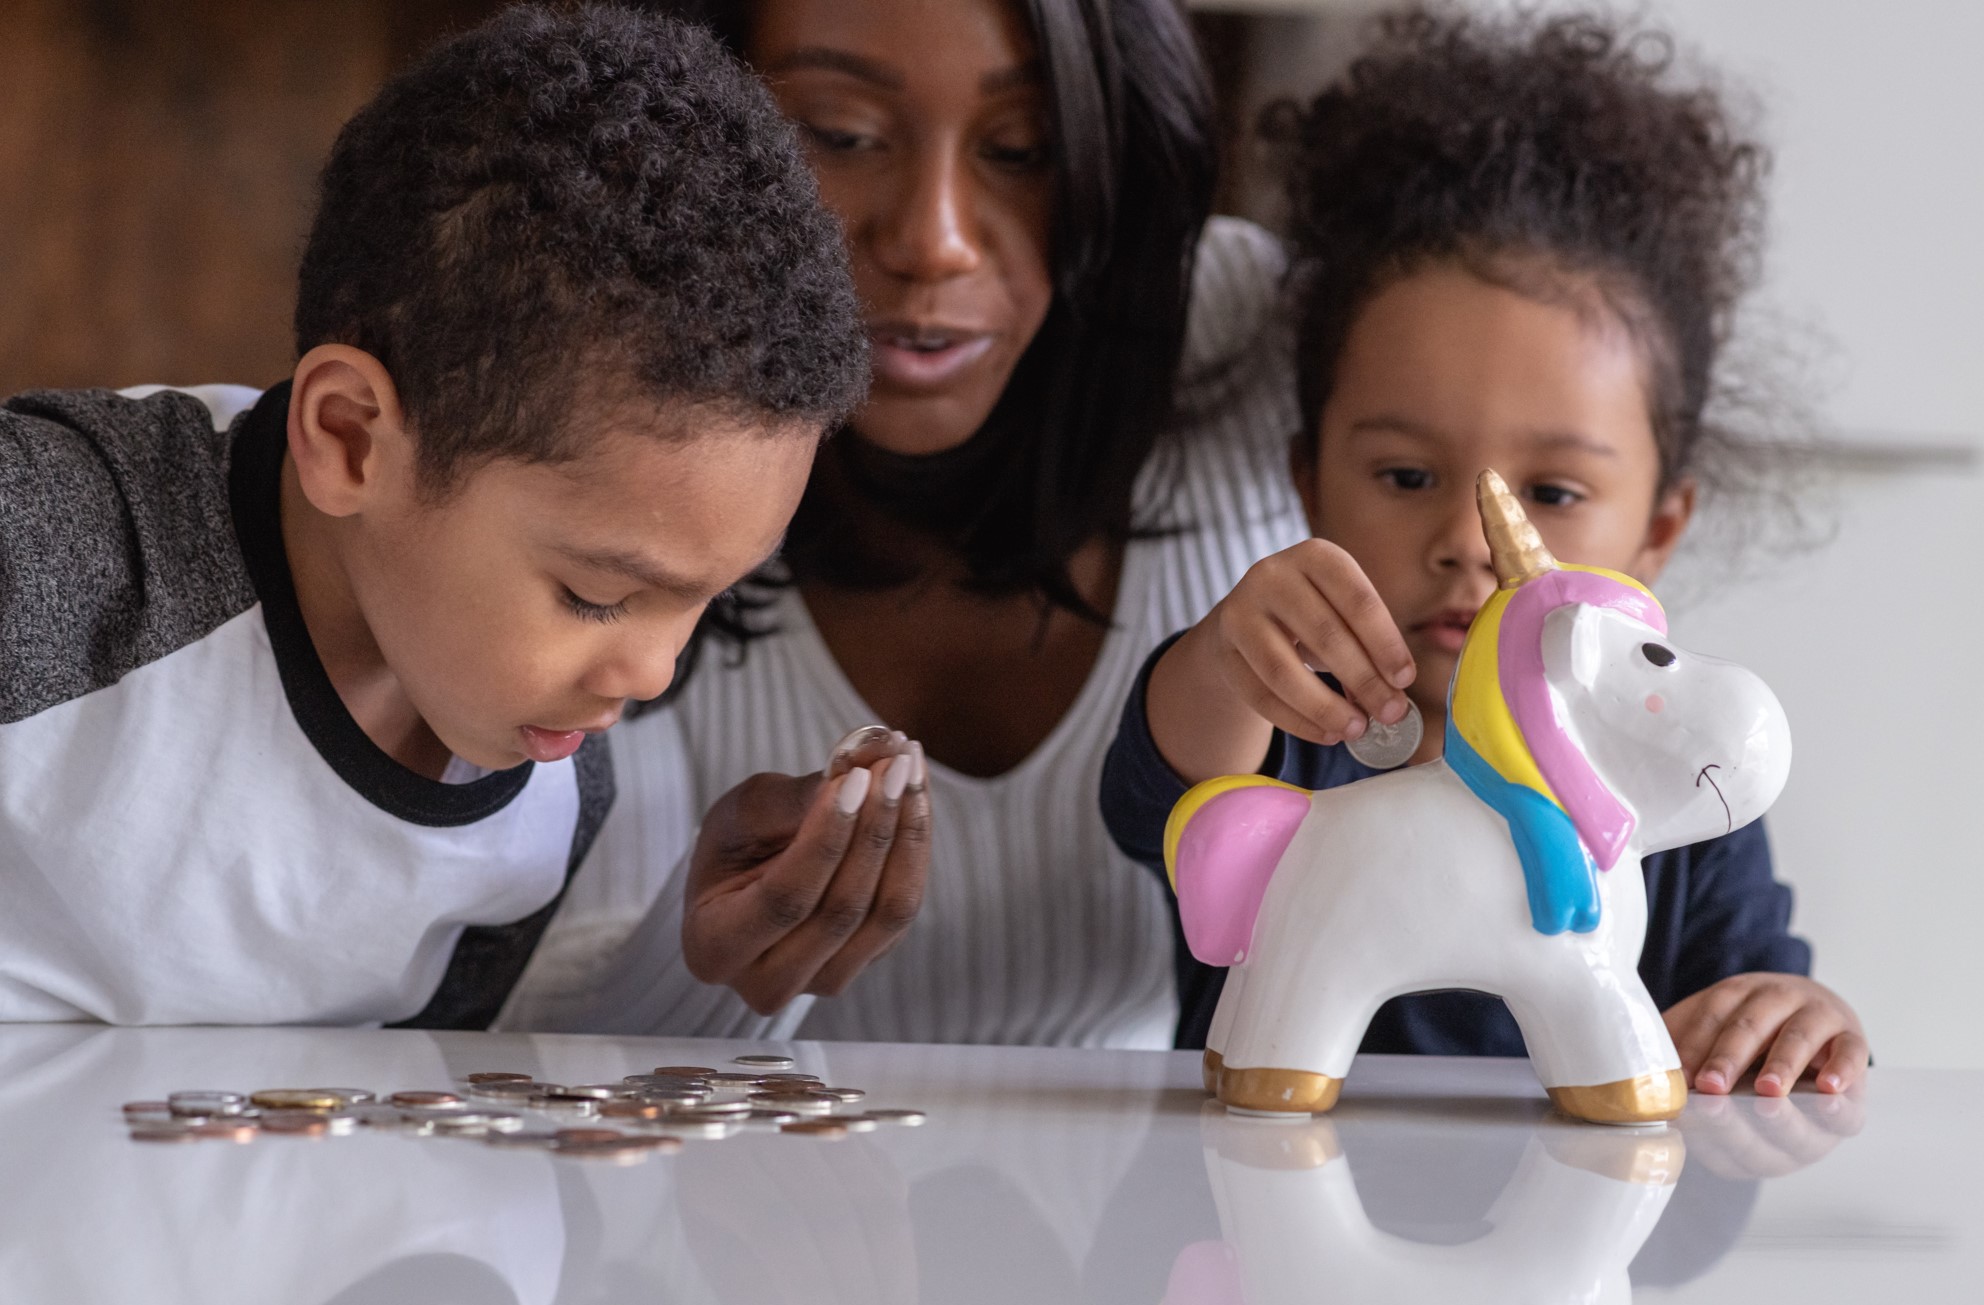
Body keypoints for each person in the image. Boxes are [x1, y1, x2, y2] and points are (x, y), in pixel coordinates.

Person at [0, 5, 879, 1026]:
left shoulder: (552, 790)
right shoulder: (44, 548)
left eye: (705, 601)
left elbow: (430, 1120)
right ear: (351, 439)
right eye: (596, 595)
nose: (650, 675)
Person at [499, 0, 1306, 1046]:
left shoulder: (1258, 336)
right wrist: (701, 969)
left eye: (1023, 149)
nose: (933, 241)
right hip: (743, 1197)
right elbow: (538, 1045)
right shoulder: (587, 390)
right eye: (839, 134)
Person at [1100, 8, 1870, 1097]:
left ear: (1657, 530)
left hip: (1582, 1252)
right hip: (1248, 1227)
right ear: (1307, 482)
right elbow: (1158, 805)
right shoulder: (1306, 725)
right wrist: (1232, 654)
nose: (1469, 543)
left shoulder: (1670, 781)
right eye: (1406, 478)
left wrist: (1792, 1017)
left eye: (1552, 492)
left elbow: (1749, 1048)